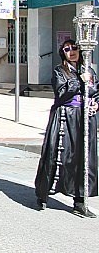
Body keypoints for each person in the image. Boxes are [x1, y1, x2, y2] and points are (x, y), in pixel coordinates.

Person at [35, 39, 98, 217]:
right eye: (67, 49)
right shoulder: (59, 71)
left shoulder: (88, 70)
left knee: (84, 159)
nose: (72, 52)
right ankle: (43, 193)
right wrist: (79, 81)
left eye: (74, 48)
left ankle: (80, 200)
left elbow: (97, 91)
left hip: (84, 119)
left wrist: (96, 104)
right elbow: (61, 93)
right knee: (58, 156)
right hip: (65, 118)